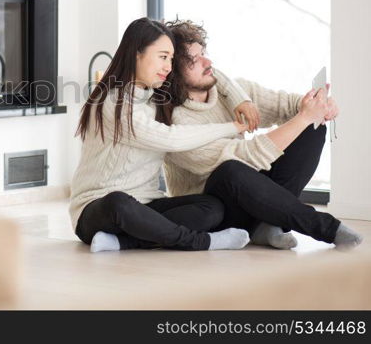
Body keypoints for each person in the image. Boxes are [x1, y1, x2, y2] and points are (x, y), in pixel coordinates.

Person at [162, 19, 363, 249]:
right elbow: (243, 157)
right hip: (217, 211)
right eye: (193, 61)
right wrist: (305, 116)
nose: (208, 62)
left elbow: (287, 105)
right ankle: (324, 226)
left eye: (204, 53)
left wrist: (318, 107)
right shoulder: (175, 123)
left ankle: (268, 224)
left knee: (311, 127)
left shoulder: (235, 92)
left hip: (253, 193)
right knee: (230, 170)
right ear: (173, 72)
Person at [70, 17, 254, 253]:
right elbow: (171, 138)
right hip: (97, 209)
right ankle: (203, 242)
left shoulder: (156, 96)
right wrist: (233, 127)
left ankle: (125, 242)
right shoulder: (112, 102)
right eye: (163, 57)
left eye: (171, 59)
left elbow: (209, 71)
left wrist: (243, 99)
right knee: (119, 202)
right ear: (137, 53)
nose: (168, 66)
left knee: (211, 207)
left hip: (146, 205)